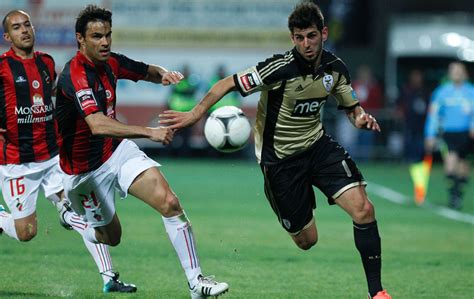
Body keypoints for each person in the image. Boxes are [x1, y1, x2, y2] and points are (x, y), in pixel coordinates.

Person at [160, 2, 391, 299]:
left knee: (364, 209)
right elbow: (226, 84)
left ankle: (378, 293)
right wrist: (194, 114)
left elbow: (351, 107)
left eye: (311, 36)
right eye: (299, 37)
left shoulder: (335, 69)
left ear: (323, 33)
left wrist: (361, 118)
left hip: (318, 147)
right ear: (292, 38)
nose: (306, 44)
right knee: (307, 241)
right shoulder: (279, 68)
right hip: (279, 161)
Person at [54, 5, 228, 298]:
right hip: (83, 174)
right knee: (110, 237)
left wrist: (164, 74)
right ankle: (70, 216)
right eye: (97, 36)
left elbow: (144, 71)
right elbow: (97, 124)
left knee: (170, 203)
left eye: (108, 35)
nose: (105, 42)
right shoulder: (75, 76)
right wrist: (149, 132)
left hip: (116, 152)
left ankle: (196, 283)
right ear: (80, 39)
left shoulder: (111, 63)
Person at [0, 10, 136, 293]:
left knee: (85, 211)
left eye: (27, 24)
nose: (24, 30)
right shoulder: (1, 68)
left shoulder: (47, 63)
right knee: (26, 233)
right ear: (7, 36)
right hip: (17, 162)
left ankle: (109, 277)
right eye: (16, 27)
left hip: (53, 156)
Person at [424, 62, 474, 209]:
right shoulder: (441, 92)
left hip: (467, 134)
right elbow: (433, 115)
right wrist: (430, 134)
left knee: (463, 168)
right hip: (448, 134)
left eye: (459, 70)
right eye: (453, 71)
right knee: (450, 165)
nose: (456, 73)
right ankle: (453, 195)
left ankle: (458, 193)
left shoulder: (471, 92)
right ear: (449, 74)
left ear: (464, 73)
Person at [397, 69, 430, 162]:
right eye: (414, 76)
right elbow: (399, 104)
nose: (416, 78)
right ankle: (408, 159)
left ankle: (419, 160)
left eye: (418, 76)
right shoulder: (406, 90)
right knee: (408, 141)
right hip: (408, 121)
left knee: (420, 142)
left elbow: (430, 105)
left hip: (422, 122)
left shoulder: (425, 91)